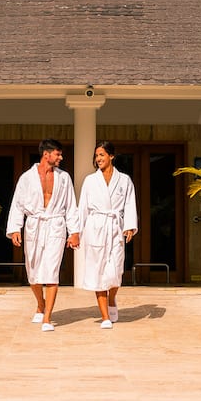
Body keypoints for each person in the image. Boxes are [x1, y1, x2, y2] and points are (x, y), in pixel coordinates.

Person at [5, 139, 74, 331]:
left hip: (55, 226)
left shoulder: (64, 178)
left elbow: (71, 206)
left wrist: (74, 232)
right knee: (33, 273)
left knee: (52, 272)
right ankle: (40, 304)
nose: (61, 157)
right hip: (34, 226)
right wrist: (15, 229)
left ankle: (47, 318)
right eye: (58, 154)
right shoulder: (26, 178)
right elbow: (18, 204)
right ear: (46, 154)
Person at [68, 141, 137, 329]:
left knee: (116, 271)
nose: (98, 159)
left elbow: (130, 204)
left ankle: (112, 299)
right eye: (96, 155)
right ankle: (105, 316)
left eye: (102, 155)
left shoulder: (124, 180)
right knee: (98, 271)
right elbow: (82, 208)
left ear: (111, 156)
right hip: (95, 228)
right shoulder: (90, 181)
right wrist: (76, 233)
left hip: (115, 227)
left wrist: (129, 226)